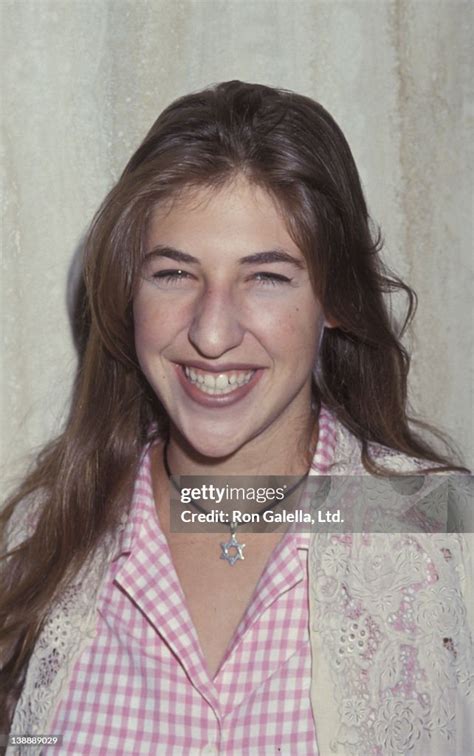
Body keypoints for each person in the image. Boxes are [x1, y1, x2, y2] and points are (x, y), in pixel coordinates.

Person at [1, 81, 472, 755]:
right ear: (127, 289)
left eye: (267, 277)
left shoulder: (444, 542)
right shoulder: (40, 541)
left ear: (335, 296)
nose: (213, 334)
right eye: (174, 273)